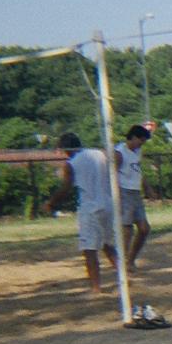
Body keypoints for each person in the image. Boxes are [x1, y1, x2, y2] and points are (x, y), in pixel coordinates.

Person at [45, 132, 117, 293]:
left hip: (90, 207)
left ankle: (96, 287)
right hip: (108, 204)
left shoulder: (72, 163)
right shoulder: (98, 154)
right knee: (107, 244)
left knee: (89, 249)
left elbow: (67, 187)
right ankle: (123, 276)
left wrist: (52, 202)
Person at [113, 125, 153, 268]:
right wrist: (116, 195)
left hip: (135, 192)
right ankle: (122, 261)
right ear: (134, 137)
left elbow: (138, 170)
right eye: (141, 140)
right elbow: (113, 175)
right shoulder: (119, 152)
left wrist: (147, 187)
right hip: (124, 192)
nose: (141, 144)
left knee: (144, 229)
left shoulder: (137, 152)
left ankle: (131, 259)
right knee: (127, 228)